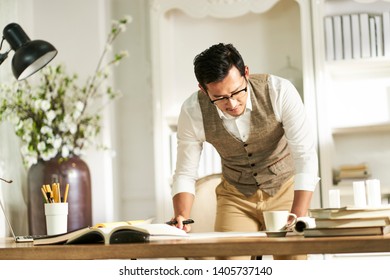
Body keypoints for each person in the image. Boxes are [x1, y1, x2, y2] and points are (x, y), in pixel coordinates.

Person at [170, 43, 320, 260]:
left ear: (246, 73)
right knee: (229, 265)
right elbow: (185, 171)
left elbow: (305, 155)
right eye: (219, 98)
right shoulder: (193, 110)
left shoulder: (279, 90)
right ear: (203, 89)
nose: (231, 103)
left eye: (236, 91)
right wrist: (181, 215)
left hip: (284, 188)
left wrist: (298, 214)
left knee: (292, 262)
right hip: (235, 195)